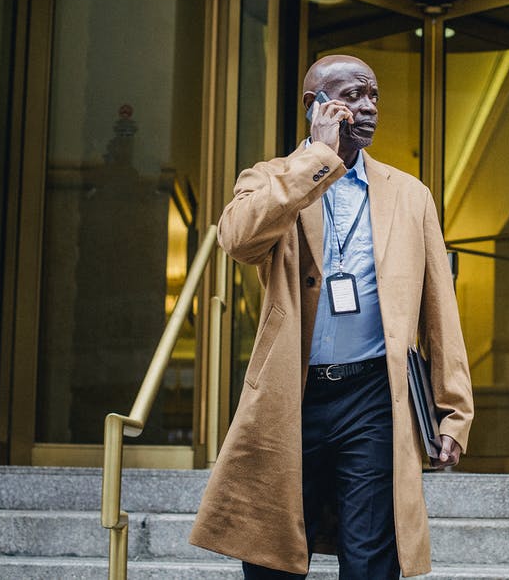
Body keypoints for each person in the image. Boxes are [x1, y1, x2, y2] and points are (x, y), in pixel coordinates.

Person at [188, 55, 474, 579]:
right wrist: (318, 156)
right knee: (272, 556)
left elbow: (440, 309)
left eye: (373, 96)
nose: (367, 107)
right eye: (351, 96)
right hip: (291, 395)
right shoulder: (271, 178)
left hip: (372, 397)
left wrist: (453, 407)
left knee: (371, 560)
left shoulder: (410, 195)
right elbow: (239, 241)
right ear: (314, 105)